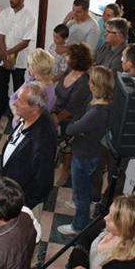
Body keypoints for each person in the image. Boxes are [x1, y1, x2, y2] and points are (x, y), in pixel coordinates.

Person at [92, 43, 135, 210]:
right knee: (96, 166)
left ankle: (107, 206)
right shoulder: (122, 78)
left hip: (122, 142)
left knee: (116, 175)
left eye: (124, 57)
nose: (121, 60)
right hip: (108, 134)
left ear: (130, 64)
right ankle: (94, 197)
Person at [57, 66, 113, 236]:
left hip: (84, 154)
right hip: (90, 150)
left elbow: (71, 129)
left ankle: (78, 225)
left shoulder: (97, 112)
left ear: (95, 85)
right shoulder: (102, 104)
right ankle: (79, 203)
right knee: (83, 188)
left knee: (82, 192)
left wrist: (76, 125)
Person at [2, 83, 56, 216]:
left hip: (22, 203)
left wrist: (24, 206)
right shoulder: (29, 117)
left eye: (20, 101)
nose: (14, 104)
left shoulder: (42, 141)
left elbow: (43, 182)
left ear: (35, 109)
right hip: (12, 191)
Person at [51, 43, 93, 186]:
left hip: (71, 119)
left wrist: (56, 119)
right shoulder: (69, 69)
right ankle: (58, 161)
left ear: (76, 59)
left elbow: (71, 108)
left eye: (69, 55)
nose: (66, 56)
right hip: (58, 112)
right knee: (59, 144)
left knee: (68, 146)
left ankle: (65, 170)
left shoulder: (83, 83)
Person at [0, 0, 36, 121]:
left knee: (18, 87)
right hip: (3, 56)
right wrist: (5, 56)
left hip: (20, 59)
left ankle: (16, 111)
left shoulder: (30, 17)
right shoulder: (4, 13)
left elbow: (25, 42)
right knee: (1, 85)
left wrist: (8, 54)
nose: (11, 0)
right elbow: (0, 37)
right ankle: (0, 107)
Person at [9, 48, 56, 128]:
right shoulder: (31, 79)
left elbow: (37, 118)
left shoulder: (48, 92)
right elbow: (13, 97)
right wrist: (15, 111)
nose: (28, 67)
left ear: (36, 68)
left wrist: (17, 112)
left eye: (29, 64)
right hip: (18, 124)